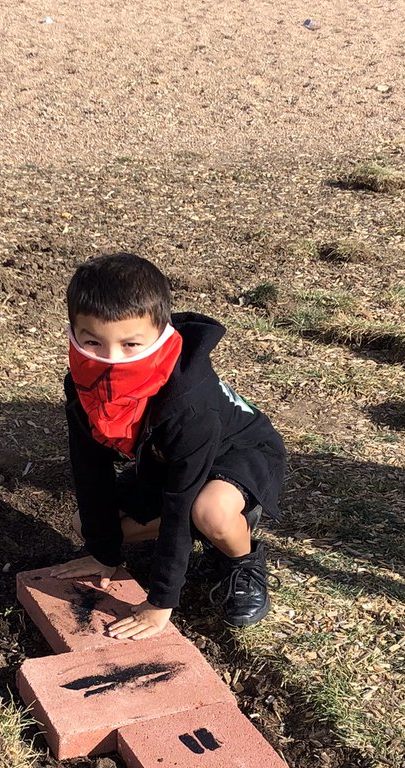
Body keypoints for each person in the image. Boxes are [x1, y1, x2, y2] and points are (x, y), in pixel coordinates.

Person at [51, 252, 286, 640]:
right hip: (164, 461)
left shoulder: (189, 406)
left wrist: (161, 602)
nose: (110, 360)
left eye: (130, 344)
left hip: (241, 453)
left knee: (206, 511)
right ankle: (204, 528)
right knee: (90, 527)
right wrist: (103, 553)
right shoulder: (82, 384)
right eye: (93, 342)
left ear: (159, 334)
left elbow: (179, 502)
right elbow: (89, 466)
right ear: (74, 332)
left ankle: (242, 559)